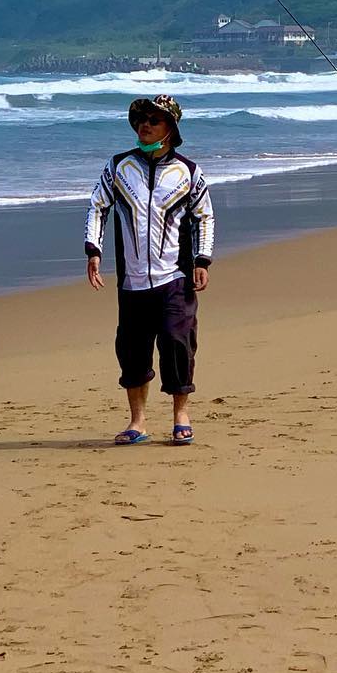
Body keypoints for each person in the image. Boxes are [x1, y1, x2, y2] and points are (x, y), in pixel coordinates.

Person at [85, 93, 215, 446]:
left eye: (153, 120)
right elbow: (98, 206)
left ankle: (180, 415)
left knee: (177, 343)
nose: (145, 125)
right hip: (133, 282)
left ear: (170, 128)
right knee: (132, 350)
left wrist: (202, 260)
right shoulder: (119, 167)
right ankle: (137, 422)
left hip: (174, 277)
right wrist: (93, 251)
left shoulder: (188, 172)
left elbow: (204, 217)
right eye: (140, 120)